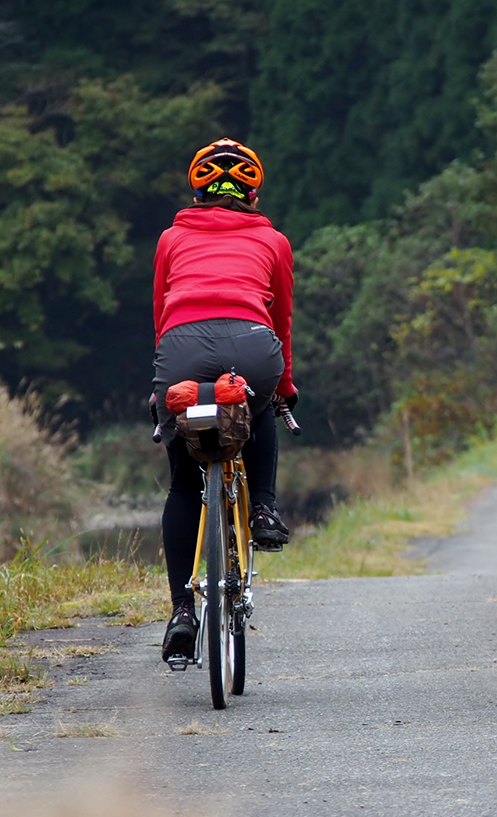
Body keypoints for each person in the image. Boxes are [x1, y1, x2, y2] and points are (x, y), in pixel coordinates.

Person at [153, 137, 297, 663]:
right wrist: (284, 388)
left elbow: (161, 316)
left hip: (180, 354)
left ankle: (181, 614)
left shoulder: (171, 239)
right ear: (253, 196)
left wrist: (160, 390)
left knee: (184, 482)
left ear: (196, 192)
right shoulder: (275, 241)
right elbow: (280, 318)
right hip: (254, 349)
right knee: (260, 409)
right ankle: (262, 509)